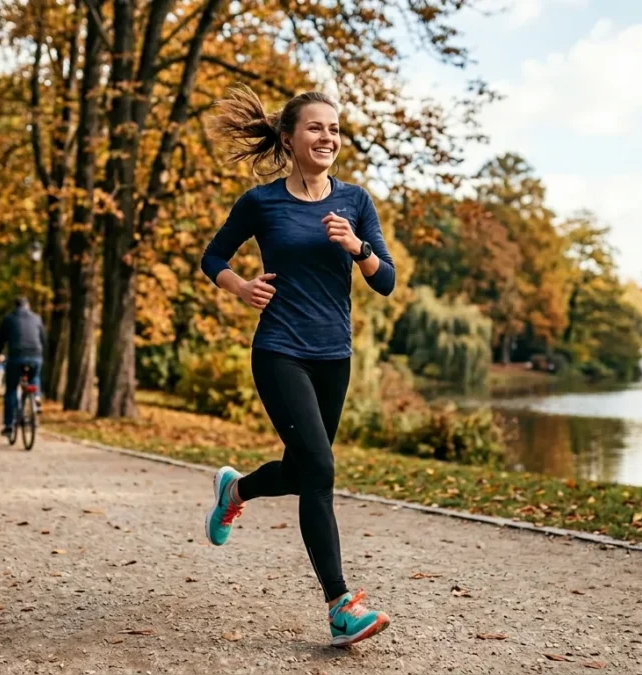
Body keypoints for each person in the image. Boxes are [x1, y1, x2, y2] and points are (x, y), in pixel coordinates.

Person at [199, 86, 396, 647]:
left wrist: (358, 247)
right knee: (321, 468)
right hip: (280, 349)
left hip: (334, 355)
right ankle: (340, 605)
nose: (327, 138)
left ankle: (236, 491)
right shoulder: (261, 202)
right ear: (289, 138)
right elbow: (214, 255)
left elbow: (386, 281)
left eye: (334, 130)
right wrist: (240, 286)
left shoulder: (355, 202)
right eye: (315, 128)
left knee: (308, 468)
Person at [0, 297, 45, 436]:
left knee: (11, 390)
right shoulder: (37, 318)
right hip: (35, 356)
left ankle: (9, 425)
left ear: (14, 306)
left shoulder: (9, 319)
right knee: (35, 377)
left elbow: (0, 340)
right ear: (28, 305)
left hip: (16, 357)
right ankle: (37, 397)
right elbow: (43, 338)